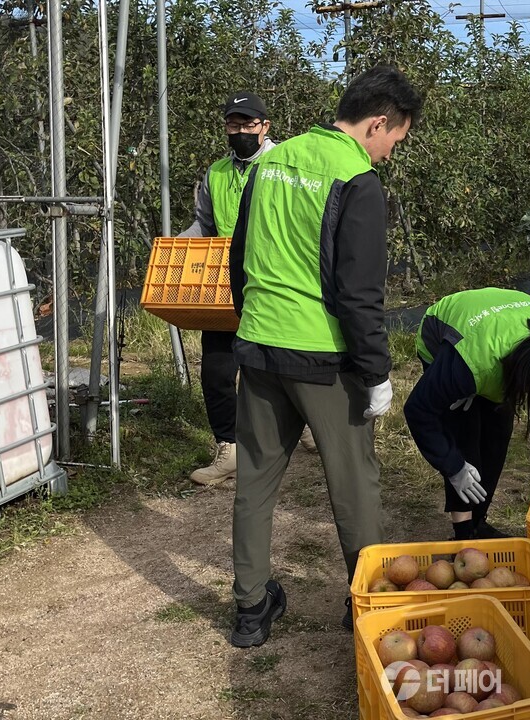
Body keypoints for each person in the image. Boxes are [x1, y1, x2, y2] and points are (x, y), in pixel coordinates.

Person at [225, 65, 422, 648]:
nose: (390, 152)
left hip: (260, 348)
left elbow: (239, 257)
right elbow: (360, 294)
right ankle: (365, 603)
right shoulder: (356, 178)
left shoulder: (270, 163)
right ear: (378, 123)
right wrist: (376, 372)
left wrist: (252, 322)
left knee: (255, 480)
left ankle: (251, 608)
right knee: (354, 483)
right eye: (395, 139)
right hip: (324, 360)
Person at [180, 91, 316, 487]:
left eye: (247, 124)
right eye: (232, 124)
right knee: (217, 370)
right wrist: (179, 245)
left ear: (265, 126)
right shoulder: (217, 173)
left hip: (276, 281)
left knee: (287, 360)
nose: (239, 131)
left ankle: (311, 424)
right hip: (227, 284)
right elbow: (205, 225)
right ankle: (230, 448)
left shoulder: (285, 165)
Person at [404, 287, 530, 541]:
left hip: (497, 330)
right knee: (464, 433)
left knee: (497, 434)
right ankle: (464, 535)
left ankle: (478, 523)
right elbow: (418, 410)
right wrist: (453, 466)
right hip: (447, 333)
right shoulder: (472, 362)